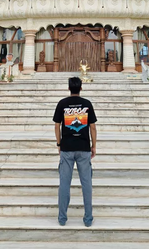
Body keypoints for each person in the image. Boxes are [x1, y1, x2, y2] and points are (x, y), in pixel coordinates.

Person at [53, 76, 97, 227]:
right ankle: (88, 219)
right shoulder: (87, 104)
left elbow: (56, 126)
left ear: (68, 88)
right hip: (84, 148)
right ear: (81, 88)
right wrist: (94, 146)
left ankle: (62, 218)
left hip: (67, 148)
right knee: (87, 184)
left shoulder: (62, 104)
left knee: (64, 183)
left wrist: (59, 143)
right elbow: (92, 126)